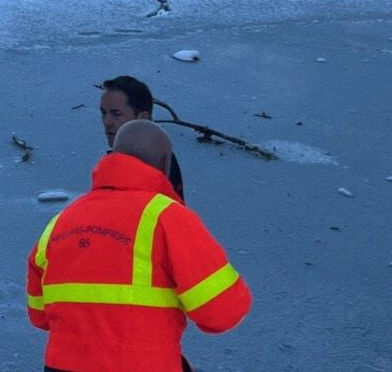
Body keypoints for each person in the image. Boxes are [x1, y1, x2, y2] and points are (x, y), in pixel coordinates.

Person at [26, 120, 252, 372]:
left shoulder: (60, 221)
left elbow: (39, 315)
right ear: (166, 164)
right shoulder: (168, 218)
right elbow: (222, 313)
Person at [100, 75, 184, 200]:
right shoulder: (161, 157)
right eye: (103, 112)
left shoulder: (153, 165)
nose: (107, 122)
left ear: (143, 118)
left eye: (116, 114)